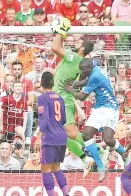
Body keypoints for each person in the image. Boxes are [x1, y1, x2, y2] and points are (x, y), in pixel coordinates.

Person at [32, 18, 95, 176]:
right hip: (58, 98)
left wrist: (61, 30)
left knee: (71, 133)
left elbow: (54, 46)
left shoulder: (75, 58)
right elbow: (58, 49)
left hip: (63, 100)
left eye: (79, 41)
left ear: (81, 48)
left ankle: (99, 151)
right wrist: (60, 33)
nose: (75, 41)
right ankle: (85, 159)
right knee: (57, 134)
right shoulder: (74, 59)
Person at [64, 58, 125, 182]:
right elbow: (87, 80)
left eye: (83, 70)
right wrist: (75, 84)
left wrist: (70, 89)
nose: (81, 72)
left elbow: (82, 96)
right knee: (86, 135)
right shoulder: (94, 66)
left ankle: (124, 154)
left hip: (110, 107)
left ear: (89, 69)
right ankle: (101, 167)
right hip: (99, 108)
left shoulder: (95, 76)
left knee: (108, 139)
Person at [37, 72, 71, 196]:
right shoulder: (60, 98)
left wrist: (39, 134)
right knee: (56, 167)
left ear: (41, 83)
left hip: (50, 137)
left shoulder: (42, 98)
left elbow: (44, 118)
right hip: (61, 136)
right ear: (53, 83)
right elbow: (64, 119)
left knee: (45, 168)